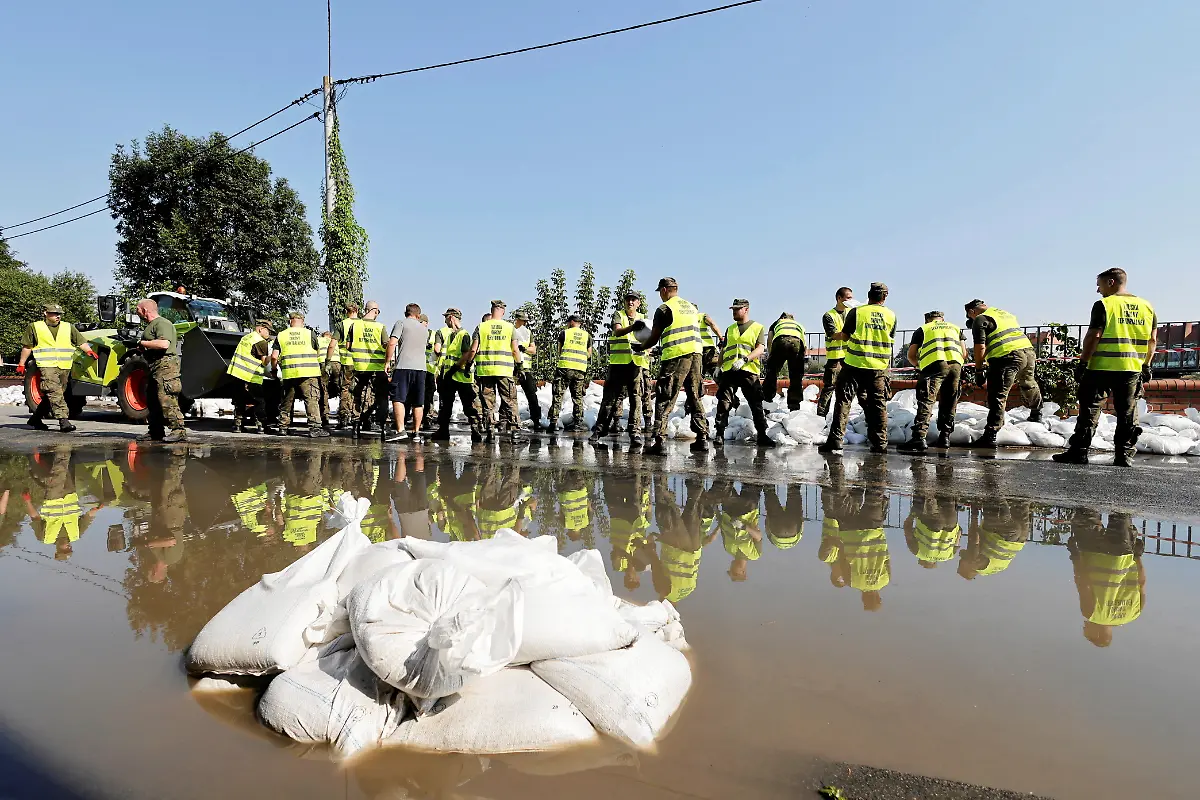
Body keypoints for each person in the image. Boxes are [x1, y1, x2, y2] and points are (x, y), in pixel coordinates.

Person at [1054, 268, 1156, 467]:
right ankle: (1124, 455)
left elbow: (1094, 335)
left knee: (1089, 410)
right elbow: (1152, 340)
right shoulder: (1147, 307)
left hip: (1100, 368)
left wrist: (1083, 362)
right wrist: (1146, 365)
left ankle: (1079, 452)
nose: (1098, 290)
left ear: (1111, 282)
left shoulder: (1104, 304)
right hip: (1131, 369)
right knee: (1127, 412)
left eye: (1099, 285)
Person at [634, 277, 710, 455]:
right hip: (696, 355)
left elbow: (654, 336)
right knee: (695, 396)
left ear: (664, 290)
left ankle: (659, 441)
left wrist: (642, 347)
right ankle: (702, 439)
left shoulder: (664, 309)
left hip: (676, 356)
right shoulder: (690, 307)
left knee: (665, 396)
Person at [820, 282, 895, 454]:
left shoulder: (857, 312)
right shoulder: (891, 315)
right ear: (885, 297)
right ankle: (880, 443)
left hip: (854, 364)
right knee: (878, 404)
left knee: (843, 401)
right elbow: (890, 338)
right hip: (879, 367)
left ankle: (836, 440)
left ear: (868, 295)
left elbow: (845, 336)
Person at [964, 299, 1043, 448]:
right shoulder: (1005, 314)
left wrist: (979, 369)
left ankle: (991, 434)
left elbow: (979, 346)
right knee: (1028, 383)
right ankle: (1036, 413)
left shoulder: (980, 319)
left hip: (1007, 356)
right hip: (1028, 352)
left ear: (971, 312)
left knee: (998, 394)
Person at [1068, 509, 1146, 647]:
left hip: (1120, 554)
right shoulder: (1091, 614)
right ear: (1097, 633)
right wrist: (1074, 555)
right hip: (1092, 552)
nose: (1085, 625)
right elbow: (1083, 583)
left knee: (1121, 511)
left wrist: (1138, 556)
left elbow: (1141, 582)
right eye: (1086, 629)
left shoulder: (1134, 613)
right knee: (1086, 513)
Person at [16, 303, 98, 432]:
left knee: (56, 394)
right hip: (46, 366)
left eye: (59, 314)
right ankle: (63, 421)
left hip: (64, 367)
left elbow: (80, 341)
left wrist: (88, 351)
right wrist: (22, 363)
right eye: (54, 313)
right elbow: (27, 346)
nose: (57, 316)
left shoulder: (68, 327)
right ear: (45, 313)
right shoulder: (35, 327)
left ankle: (36, 418)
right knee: (54, 391)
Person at [899, 311, 966, 454]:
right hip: (956, 366)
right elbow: (964, 353)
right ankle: (945, 437)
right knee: (950, 401)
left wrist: (919, 366)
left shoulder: (924, 329)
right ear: (942, 319)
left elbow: (911, 355)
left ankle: (919, 437)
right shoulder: (955, 328)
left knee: (927, 400)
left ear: (927, 320)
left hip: (934, 366)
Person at [714, 299, 775, 447]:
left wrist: (745, 359)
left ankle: (762, 435)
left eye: (737, 309)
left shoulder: (757, 327)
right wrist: (718, 366)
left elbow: (760, 349)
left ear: (746, 309)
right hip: (729, 371)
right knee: (724, 402)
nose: (734, 312)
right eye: (733, 309)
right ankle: (719, 434)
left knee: (755, 403)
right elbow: (724, 349)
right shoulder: (730, 329)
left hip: (748, 371)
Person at [592, 292, 648, 445]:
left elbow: (648, 339)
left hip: (635, 364)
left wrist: (649, 349)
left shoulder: (643, 319)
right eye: (628, 300)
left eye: (633, 300)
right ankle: (599, 430)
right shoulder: (619, 315)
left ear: (638, 303)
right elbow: (617, 331)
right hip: (618, 364)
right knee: (610, 398)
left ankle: (635, 432)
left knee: (636, 399)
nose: (630, 302)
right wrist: (632, 327)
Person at [468, 300, 523, 442]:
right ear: (502, 311)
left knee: (488, 403)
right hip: (504, 370)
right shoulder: (509, 327)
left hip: (486, 372)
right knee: (510, 400)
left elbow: (474, 349)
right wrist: (519, 366)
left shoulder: (481, 327)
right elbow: (515, 349)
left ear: (491, 310)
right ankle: (515, 432)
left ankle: (490, 432)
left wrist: (469, 364)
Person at [134, 298, 187, 442]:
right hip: (154, 366)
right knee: (152, 399)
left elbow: (164, 344)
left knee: (167, 398)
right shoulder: (152, 325)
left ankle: (178, 430)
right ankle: (155, 431)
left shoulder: (162, 323)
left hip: (166, 366)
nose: (136, 312)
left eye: (137, 309)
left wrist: (142, 342)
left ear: (145, 310)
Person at [270, 312, 329, 438]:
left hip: (289, 373)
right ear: (302, 321)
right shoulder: (309, 333)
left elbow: (274, 356)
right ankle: (315, 428)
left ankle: (283, 427)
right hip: (309, 373)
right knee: (311, 399)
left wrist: (274, 370)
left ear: (290, 321)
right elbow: (317, 351)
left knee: (287, 401)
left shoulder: (281, 335)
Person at [432, 308, 485, 442]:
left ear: (451, 317)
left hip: (461, 377)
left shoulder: (464, 335)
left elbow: (466, 354)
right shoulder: (451, 335)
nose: (445, 321)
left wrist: (453, 369)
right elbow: (447, 356)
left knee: (468, 406)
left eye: (446, 318)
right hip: (450, 377)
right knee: (445, 407)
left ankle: (476, 431)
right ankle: (443, 431)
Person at [384, 303, 430, 442]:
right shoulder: (425, 330)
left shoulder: (401, 323)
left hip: (404, 366)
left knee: (398, 398)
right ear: (418, 315)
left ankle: (400, 430)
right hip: (421, 369)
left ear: (406, 313)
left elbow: (392, 343)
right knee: (418, 402)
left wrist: (387, 362)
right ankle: (416, 432)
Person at [903, 461, 962, 568]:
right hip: (930, 524)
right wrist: (913, 513)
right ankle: (918, 460)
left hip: (950, 522)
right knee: (923, 490)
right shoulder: (918, 553)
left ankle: (944, 458)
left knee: (946, 490)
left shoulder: (950, 555)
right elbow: (907, 530)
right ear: (923, 561)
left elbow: (959, 535)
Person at [226, 319, 273, 433]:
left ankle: (238, 425)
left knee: (239, 400)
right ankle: (262, 426)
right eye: (268, 331)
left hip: (236, 373)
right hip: (251, 376)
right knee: (259, 401)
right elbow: (264, 362)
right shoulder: (261, 342)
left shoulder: (246, 337)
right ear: (261, 329)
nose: (269, 334)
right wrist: (272, 355)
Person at [548, 313, 592, 433]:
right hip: (580, 369)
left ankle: (553, 422)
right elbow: (589, 354)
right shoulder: (587, 336)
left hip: (565, 368)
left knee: (558, 395)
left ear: (572, 322)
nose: (567, 324)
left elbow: (559, 350)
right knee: (578, 397)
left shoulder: (564, 333)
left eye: (568, 322)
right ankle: (577, 423)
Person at [350, 301, 389, 434]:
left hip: (359, 366)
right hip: (377, 367)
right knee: (381, 396)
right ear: (375, 310)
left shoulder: (355, 325)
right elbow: (386, 345)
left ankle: (356, 425)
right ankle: (381, 424)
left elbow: (349, 345)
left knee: (358, 395)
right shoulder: (380, 327)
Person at [817, 287, 854, 416]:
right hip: (835, 358)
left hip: (850, 357)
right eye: (848, 298)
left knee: (848, 388)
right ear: (839, 298)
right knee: (829, 387)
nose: (850, 300)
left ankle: (842, 416)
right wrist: (850, 335)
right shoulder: (829, 316)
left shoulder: (852, 313)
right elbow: (834, 334)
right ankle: (821, 416)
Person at [717, 483, 764, 582]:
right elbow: (758, 536)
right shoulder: (754, 555)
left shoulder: (728, 549)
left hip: (728, 511)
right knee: (753, 479)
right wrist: (743, 527)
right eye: (734, 572)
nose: (731, 568)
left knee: (725, 481)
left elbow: (723, 528)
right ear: (743, 572)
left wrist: (716, 512)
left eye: (730, 570)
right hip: (747, 510)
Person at [763, 312, 807, 411]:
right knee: (796, 376)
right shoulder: (798, 324)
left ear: (782, 318)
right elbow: (804, 342)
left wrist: (770, 355)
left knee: (772, 372)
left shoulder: (777, 323)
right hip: (797, 342)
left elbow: (770, 338)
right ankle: (794, 406)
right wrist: (801, 357)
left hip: (780, 341)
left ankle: (766, 400)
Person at [511, 310, 544, 432]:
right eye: (523, 320)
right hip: (513, 367)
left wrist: (524, 349)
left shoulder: (528, 332)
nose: (525, 322)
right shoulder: (511, 330)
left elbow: (533, 350)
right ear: (517, 319)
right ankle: (510, 421)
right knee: (510, 396)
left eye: (526, 320)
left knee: (532, 395)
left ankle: (536, 420)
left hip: (526, 368)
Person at [329, 303, 360, 429]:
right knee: (360, 390)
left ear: (346, 311)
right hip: (360, 363)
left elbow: (332, 344)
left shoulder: (341, 324)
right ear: (357, 310)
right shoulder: (362, 324)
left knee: (345, 389)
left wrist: (327, 360)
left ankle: (344, 417)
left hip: (346, 362)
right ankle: (358, 416)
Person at [764, 485, 804, 551]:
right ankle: (769, 483)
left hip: (793, 531)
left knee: (794, 492)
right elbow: (767, 526)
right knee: (769, 492)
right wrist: (770, 513)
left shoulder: (795, 542)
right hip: (777, 532)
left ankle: (794, 479)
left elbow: (801, 522)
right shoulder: (774, 542)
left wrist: (798, 512)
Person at [419, 314, 438, 431]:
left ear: (426, 323)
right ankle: (418, 418)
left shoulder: (434, 335)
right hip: (418, 369)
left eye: (421, 323)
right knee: (417, 395)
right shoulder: (415, 335)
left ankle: (427, 418)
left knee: (428, 397)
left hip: (430, 371)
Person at [316, 330, 334, 429]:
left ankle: (325, 416)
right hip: (337, 363)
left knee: (323, 390)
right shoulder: (334, 340)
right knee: (344, 390)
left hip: (322, 363)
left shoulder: (318, 340)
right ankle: (346, 417)